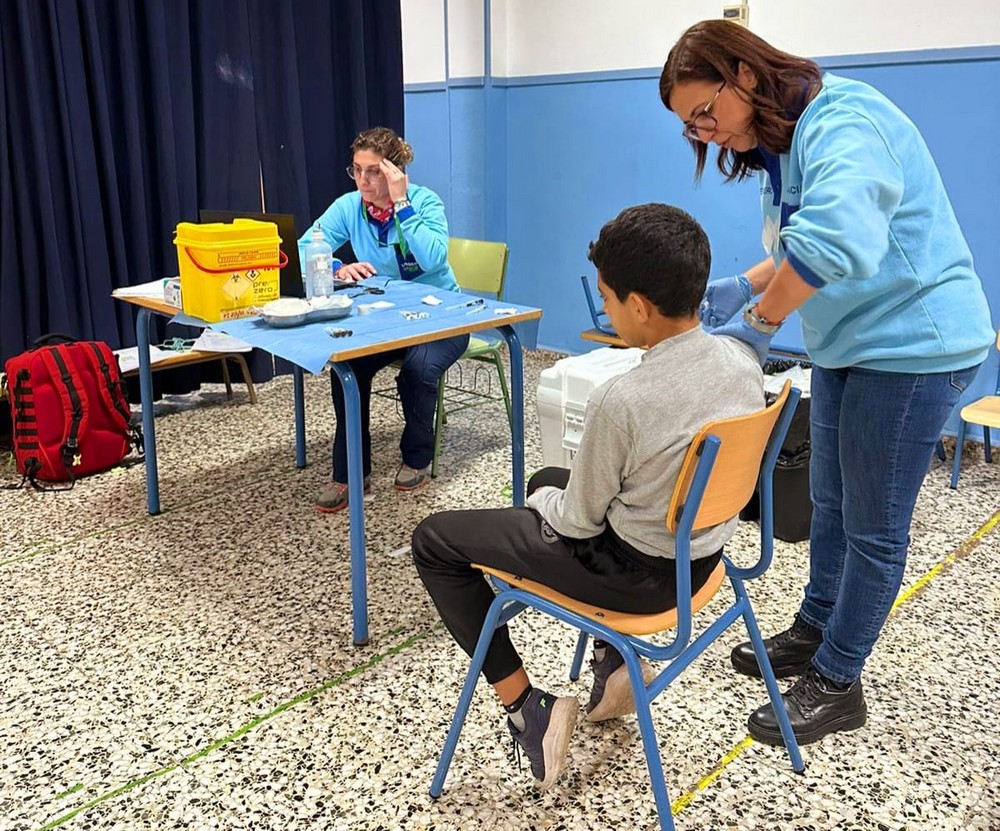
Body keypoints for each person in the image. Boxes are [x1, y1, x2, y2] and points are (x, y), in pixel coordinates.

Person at [660, 20, 994, 747]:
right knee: (831, 499)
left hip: (913, 348)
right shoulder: (782, 147)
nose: (706, 135)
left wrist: (758, 319)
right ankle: (814, 628)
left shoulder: (845, 117)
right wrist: (741, 284)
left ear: (744, 76)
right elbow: (794, 239)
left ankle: (840, 680)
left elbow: (837, 238)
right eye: (692, 127)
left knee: (874, 527)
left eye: (704, 114)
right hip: (851, 342)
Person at [412, 203, 765, 789]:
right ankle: (611, 663)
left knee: (436, 540)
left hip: (633, 578)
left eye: (606, 296)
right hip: (701, 561)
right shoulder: (740, 360)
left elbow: (575, 524)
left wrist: (539, 510)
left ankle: (531, 713)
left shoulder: (622, 399)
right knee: (547, 478)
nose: (603, 307)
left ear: (640, 307)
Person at [299, 127, 468, 512]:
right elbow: (305, 245)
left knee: (420, 369)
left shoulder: (425, 203)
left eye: (373, 171)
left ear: (396, 171)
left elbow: (433, 259)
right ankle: (350, 473)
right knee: (347, 365)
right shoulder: (349, 206)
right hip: (385, 318)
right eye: (356, 170)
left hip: (442, 316)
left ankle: (417, 457)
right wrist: (337, 266)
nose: (362, 180)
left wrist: (401, 203)